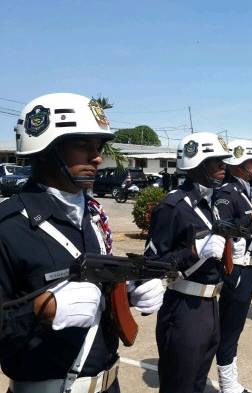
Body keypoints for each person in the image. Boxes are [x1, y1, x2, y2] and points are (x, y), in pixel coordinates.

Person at [0, 93, 164, 393]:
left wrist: (126, 294)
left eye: (98, 146)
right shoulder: (9, 227)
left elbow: (92, 297)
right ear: (46, 150)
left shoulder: (91, 216)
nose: (97, 156)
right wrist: (40, 309)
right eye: (82, 145)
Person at [145, 132, 243, 393]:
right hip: (183, 308)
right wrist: (194, 250)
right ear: (197, 164)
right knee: (180, 386)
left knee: (197, 384)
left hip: (210, 306)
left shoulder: (211, 203)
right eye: (216, 162)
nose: (224, 168)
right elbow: (151, 266)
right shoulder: (173, 206)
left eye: (224, 162)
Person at [214, 140, 252, 393]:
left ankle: (230, 381)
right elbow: (223, 228)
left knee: (234, 327)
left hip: (247, 268)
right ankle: (228, 384)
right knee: (229, 327)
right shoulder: (228, 191)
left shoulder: (242, 190)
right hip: (236, 268)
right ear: (238, 164)